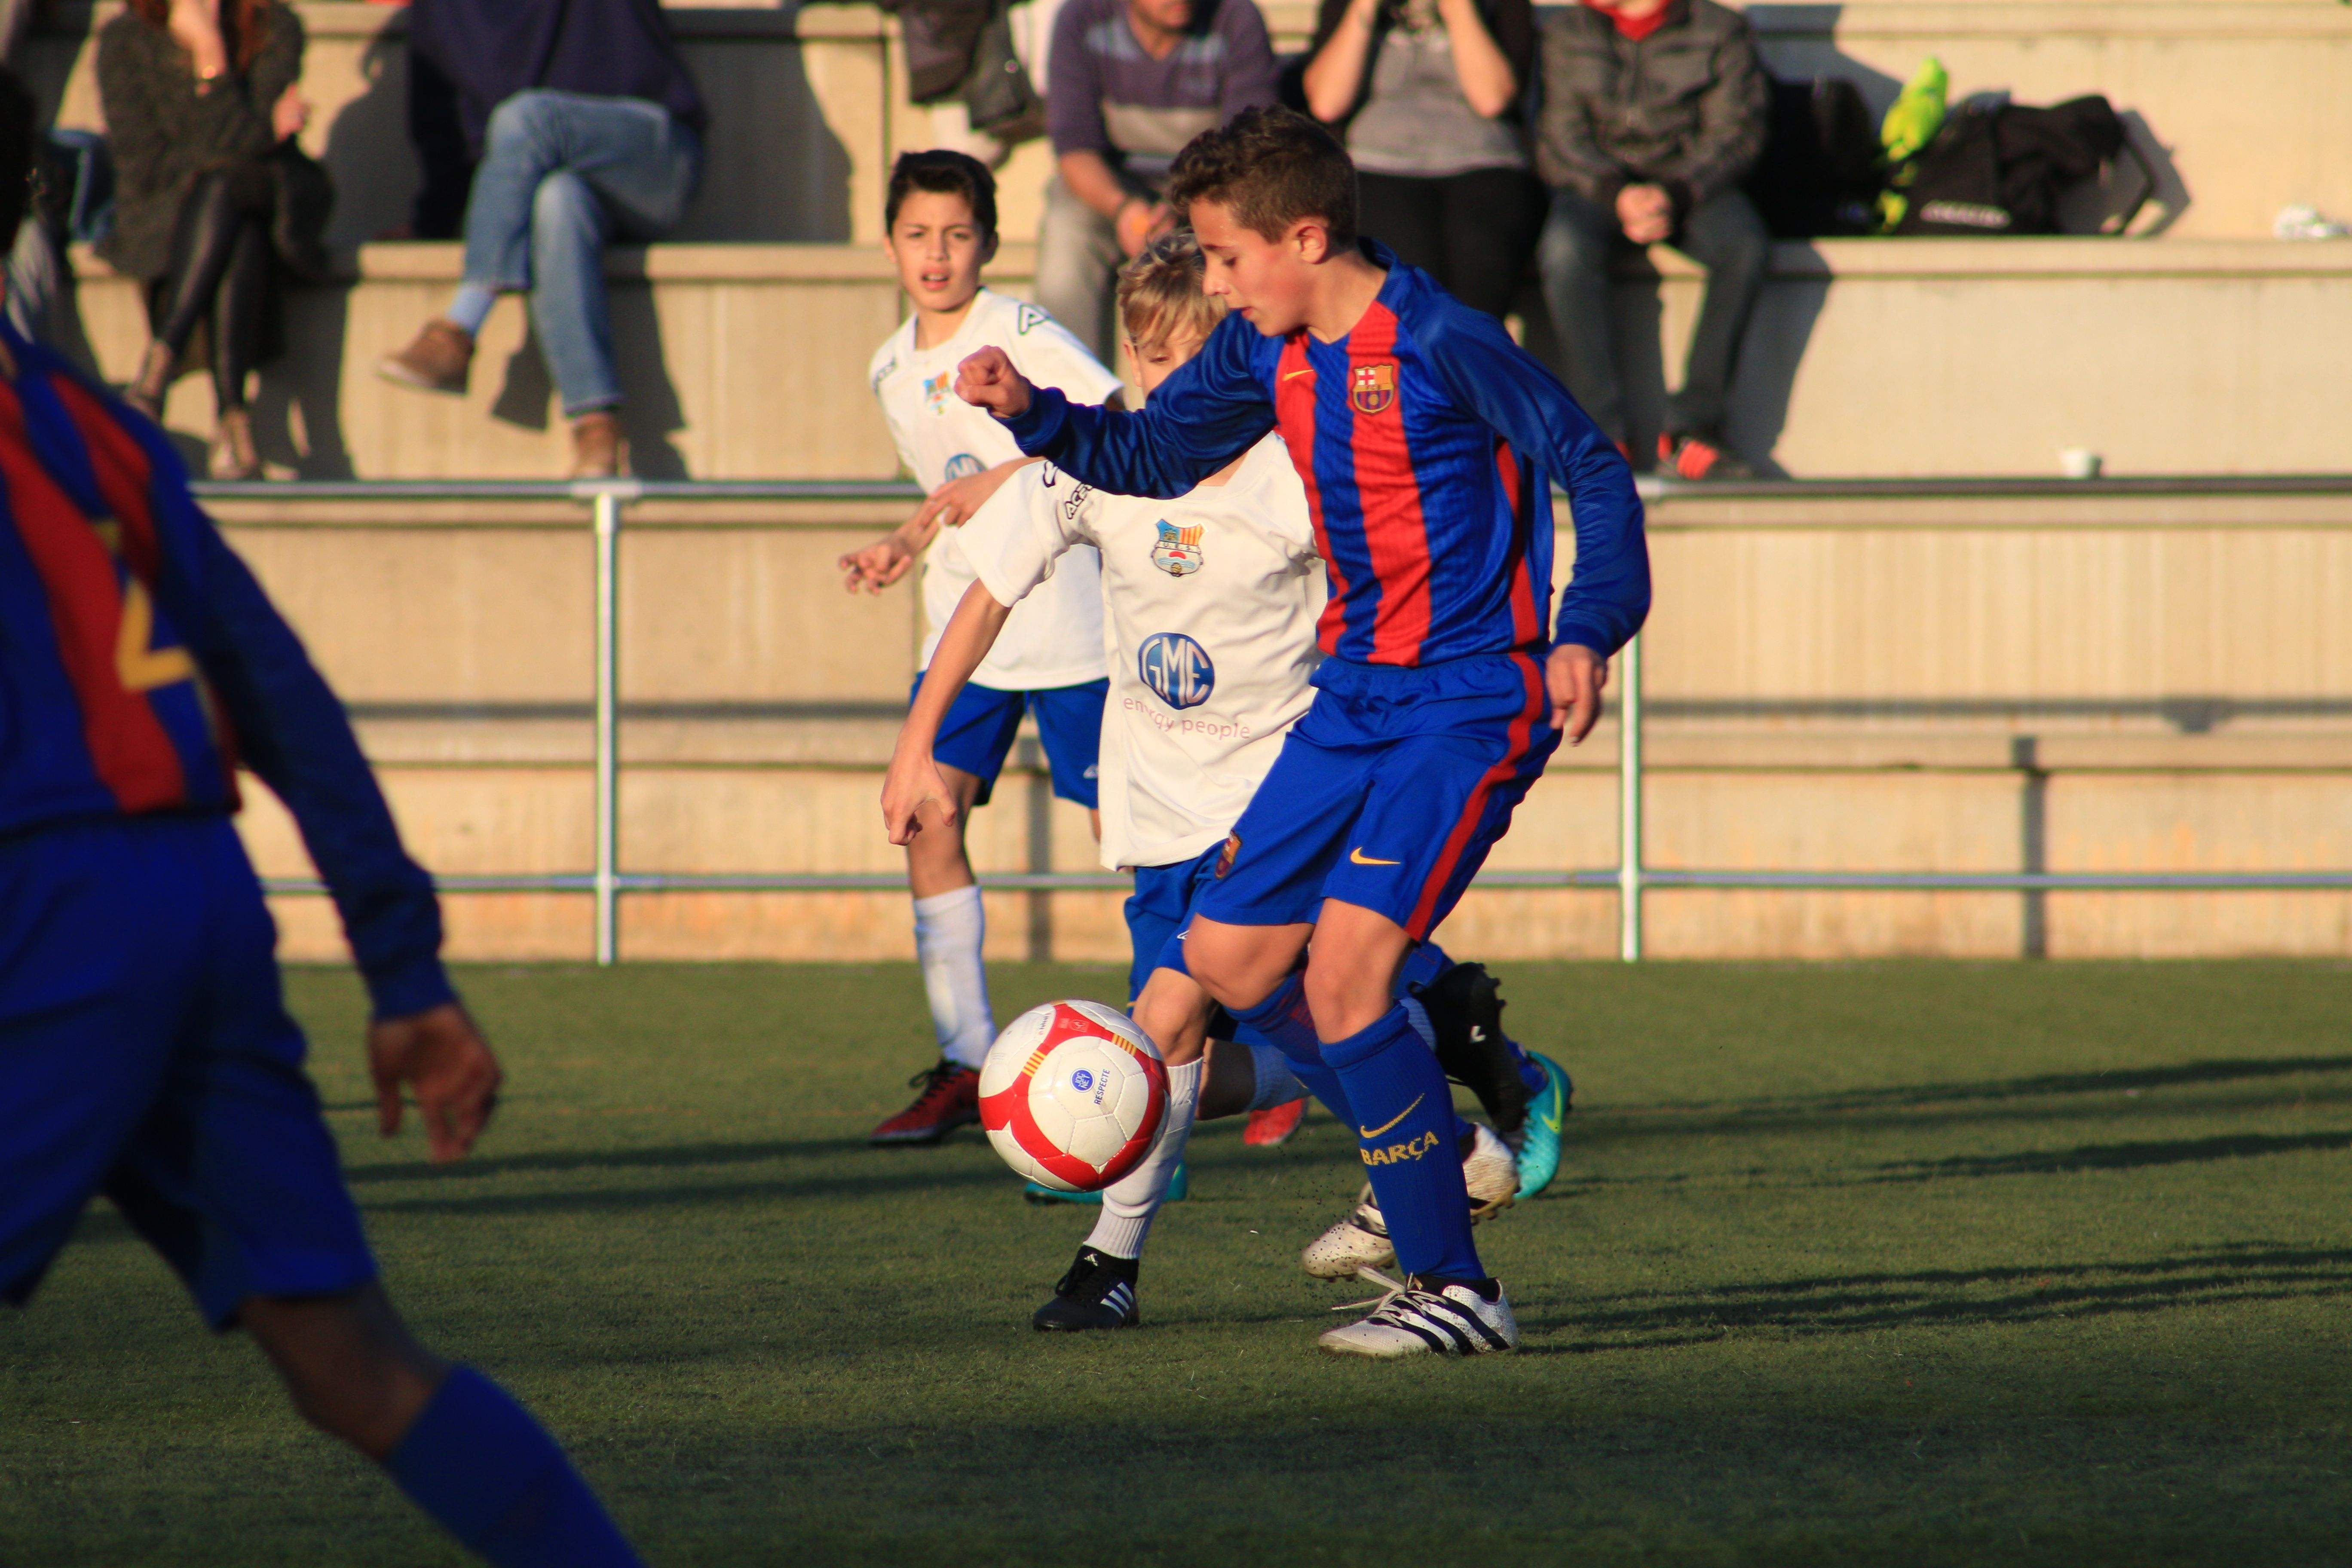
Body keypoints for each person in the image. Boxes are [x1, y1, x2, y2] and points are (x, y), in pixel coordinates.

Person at [0, 64, 642, 1564]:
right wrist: (402, 966)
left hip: (45, 911)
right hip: (194, 896)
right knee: (351, 1354)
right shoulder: (83, 424)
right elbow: (277, 689)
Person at [955, 107, 1647, 1357]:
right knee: (1231, 965)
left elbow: (1593, 467)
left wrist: (1586, 627)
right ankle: (1451, 1150)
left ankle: (1456, 1281)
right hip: (1354, 700)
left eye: (1226, 259)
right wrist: (1038, 415)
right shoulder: (1270, 353)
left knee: (1345, 976)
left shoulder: (1441, 340)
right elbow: (1158, 453)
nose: (1214, 284)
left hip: (1467, 701)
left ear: (1307, 237)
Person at [839, 150, 1124, 1148]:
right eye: (918, 234)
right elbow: (953, 487)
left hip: (1076, 626)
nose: (936, 254)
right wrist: (903, 540)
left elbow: (1110, 427)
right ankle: (966, 1063)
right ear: (889, 244)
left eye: (957, 235)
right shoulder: (887, 366)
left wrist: (1000, 487)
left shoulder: (1024, 333)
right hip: (967, 629)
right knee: (926, 818)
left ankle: (1231, 1047)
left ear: (987, 246)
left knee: (1134, 842)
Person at [375, 0, 706, 480]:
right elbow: (440, 132)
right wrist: (431, 222)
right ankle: (596, 424)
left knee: (526, 118)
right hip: (555, 173)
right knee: (558, 201)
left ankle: (462, 324)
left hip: (650, 153)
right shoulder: (442, 11)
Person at [1533, 0, 1770, 480]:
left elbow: (1737, 134)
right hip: (1597, 188)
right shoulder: (1567, 32)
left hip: (1691, 187)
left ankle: (1693, 429)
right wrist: (1615, 194)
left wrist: (1675, 194)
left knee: (1745, 247)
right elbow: (1558, 137)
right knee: (1563, 253)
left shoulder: (1722, 30)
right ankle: (1602, 436)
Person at [96, 0, 318, 480]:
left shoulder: (274, 27)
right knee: (236, 206)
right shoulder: (125, 40)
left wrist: (211, 55)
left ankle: (160, 364)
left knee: (234, 189)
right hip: (164, 210)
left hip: (266, 196)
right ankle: (233, 419)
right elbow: (145, 165)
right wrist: (261, 129)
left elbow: (240, 149)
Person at [1038, 0, 1277, 358]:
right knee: (1065, 230)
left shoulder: (1236, 19)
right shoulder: (1081, 20)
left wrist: (1180, 208)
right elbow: (1074, 149)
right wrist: (1124, 210)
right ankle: (1074, 389)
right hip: (1112, 190)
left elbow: (1246, 150)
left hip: (1206, 191)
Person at [1300, 0, 1542, 324]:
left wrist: (1458, 9)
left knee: (1476, 298)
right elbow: (1327, 103)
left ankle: (1470, 370)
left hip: (1484, 163)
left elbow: (1492, 98)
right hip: (1378, 166)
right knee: (1413, 297)